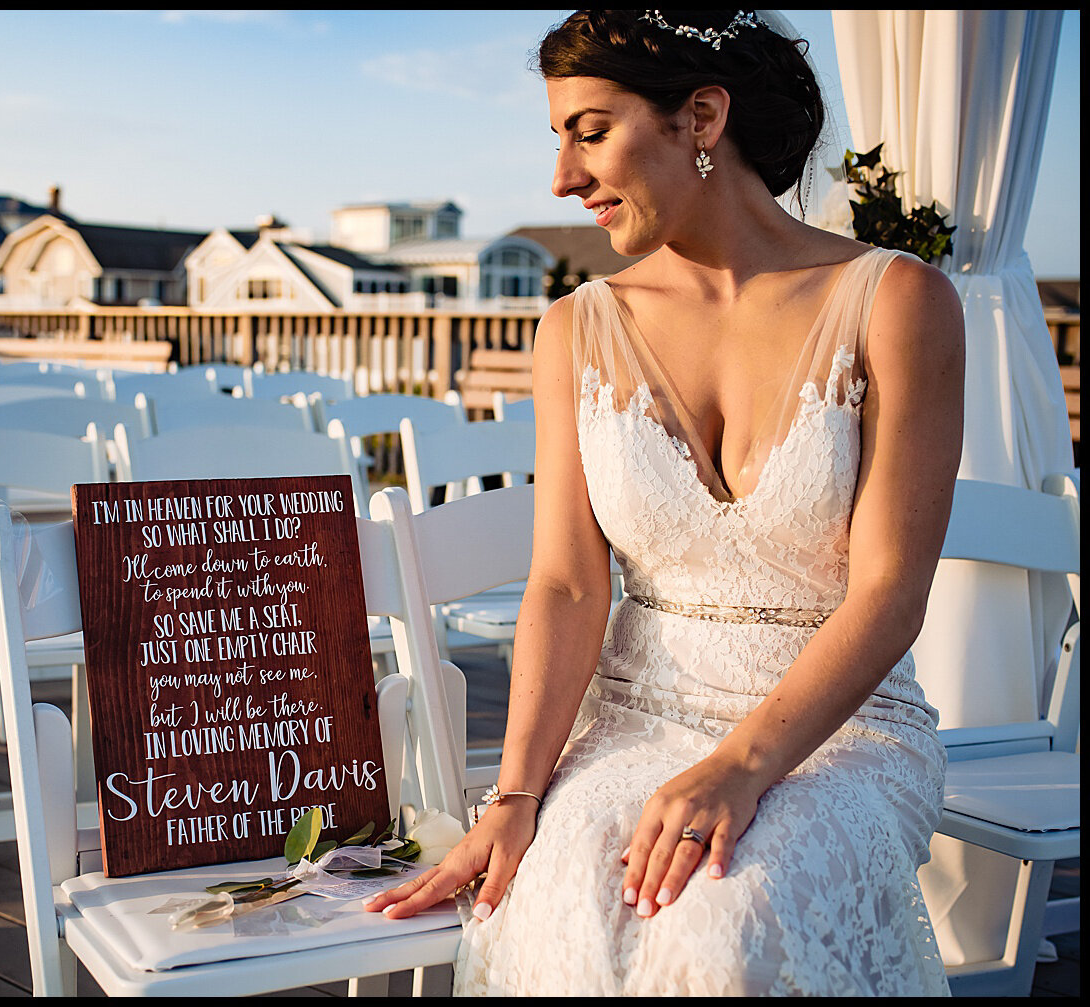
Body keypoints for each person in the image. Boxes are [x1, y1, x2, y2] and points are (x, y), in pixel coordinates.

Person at [364, 9, 965, 996]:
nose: (563, 178)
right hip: (634, 717)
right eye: (557, 139)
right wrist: (515, 792)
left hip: (839, 732)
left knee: (723, 921)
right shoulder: (576, 330)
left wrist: (742, 764)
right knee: (557, 886)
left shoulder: (896, 300)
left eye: (590, 131)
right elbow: (563, 583)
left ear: (700, 118)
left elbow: (892, 588)